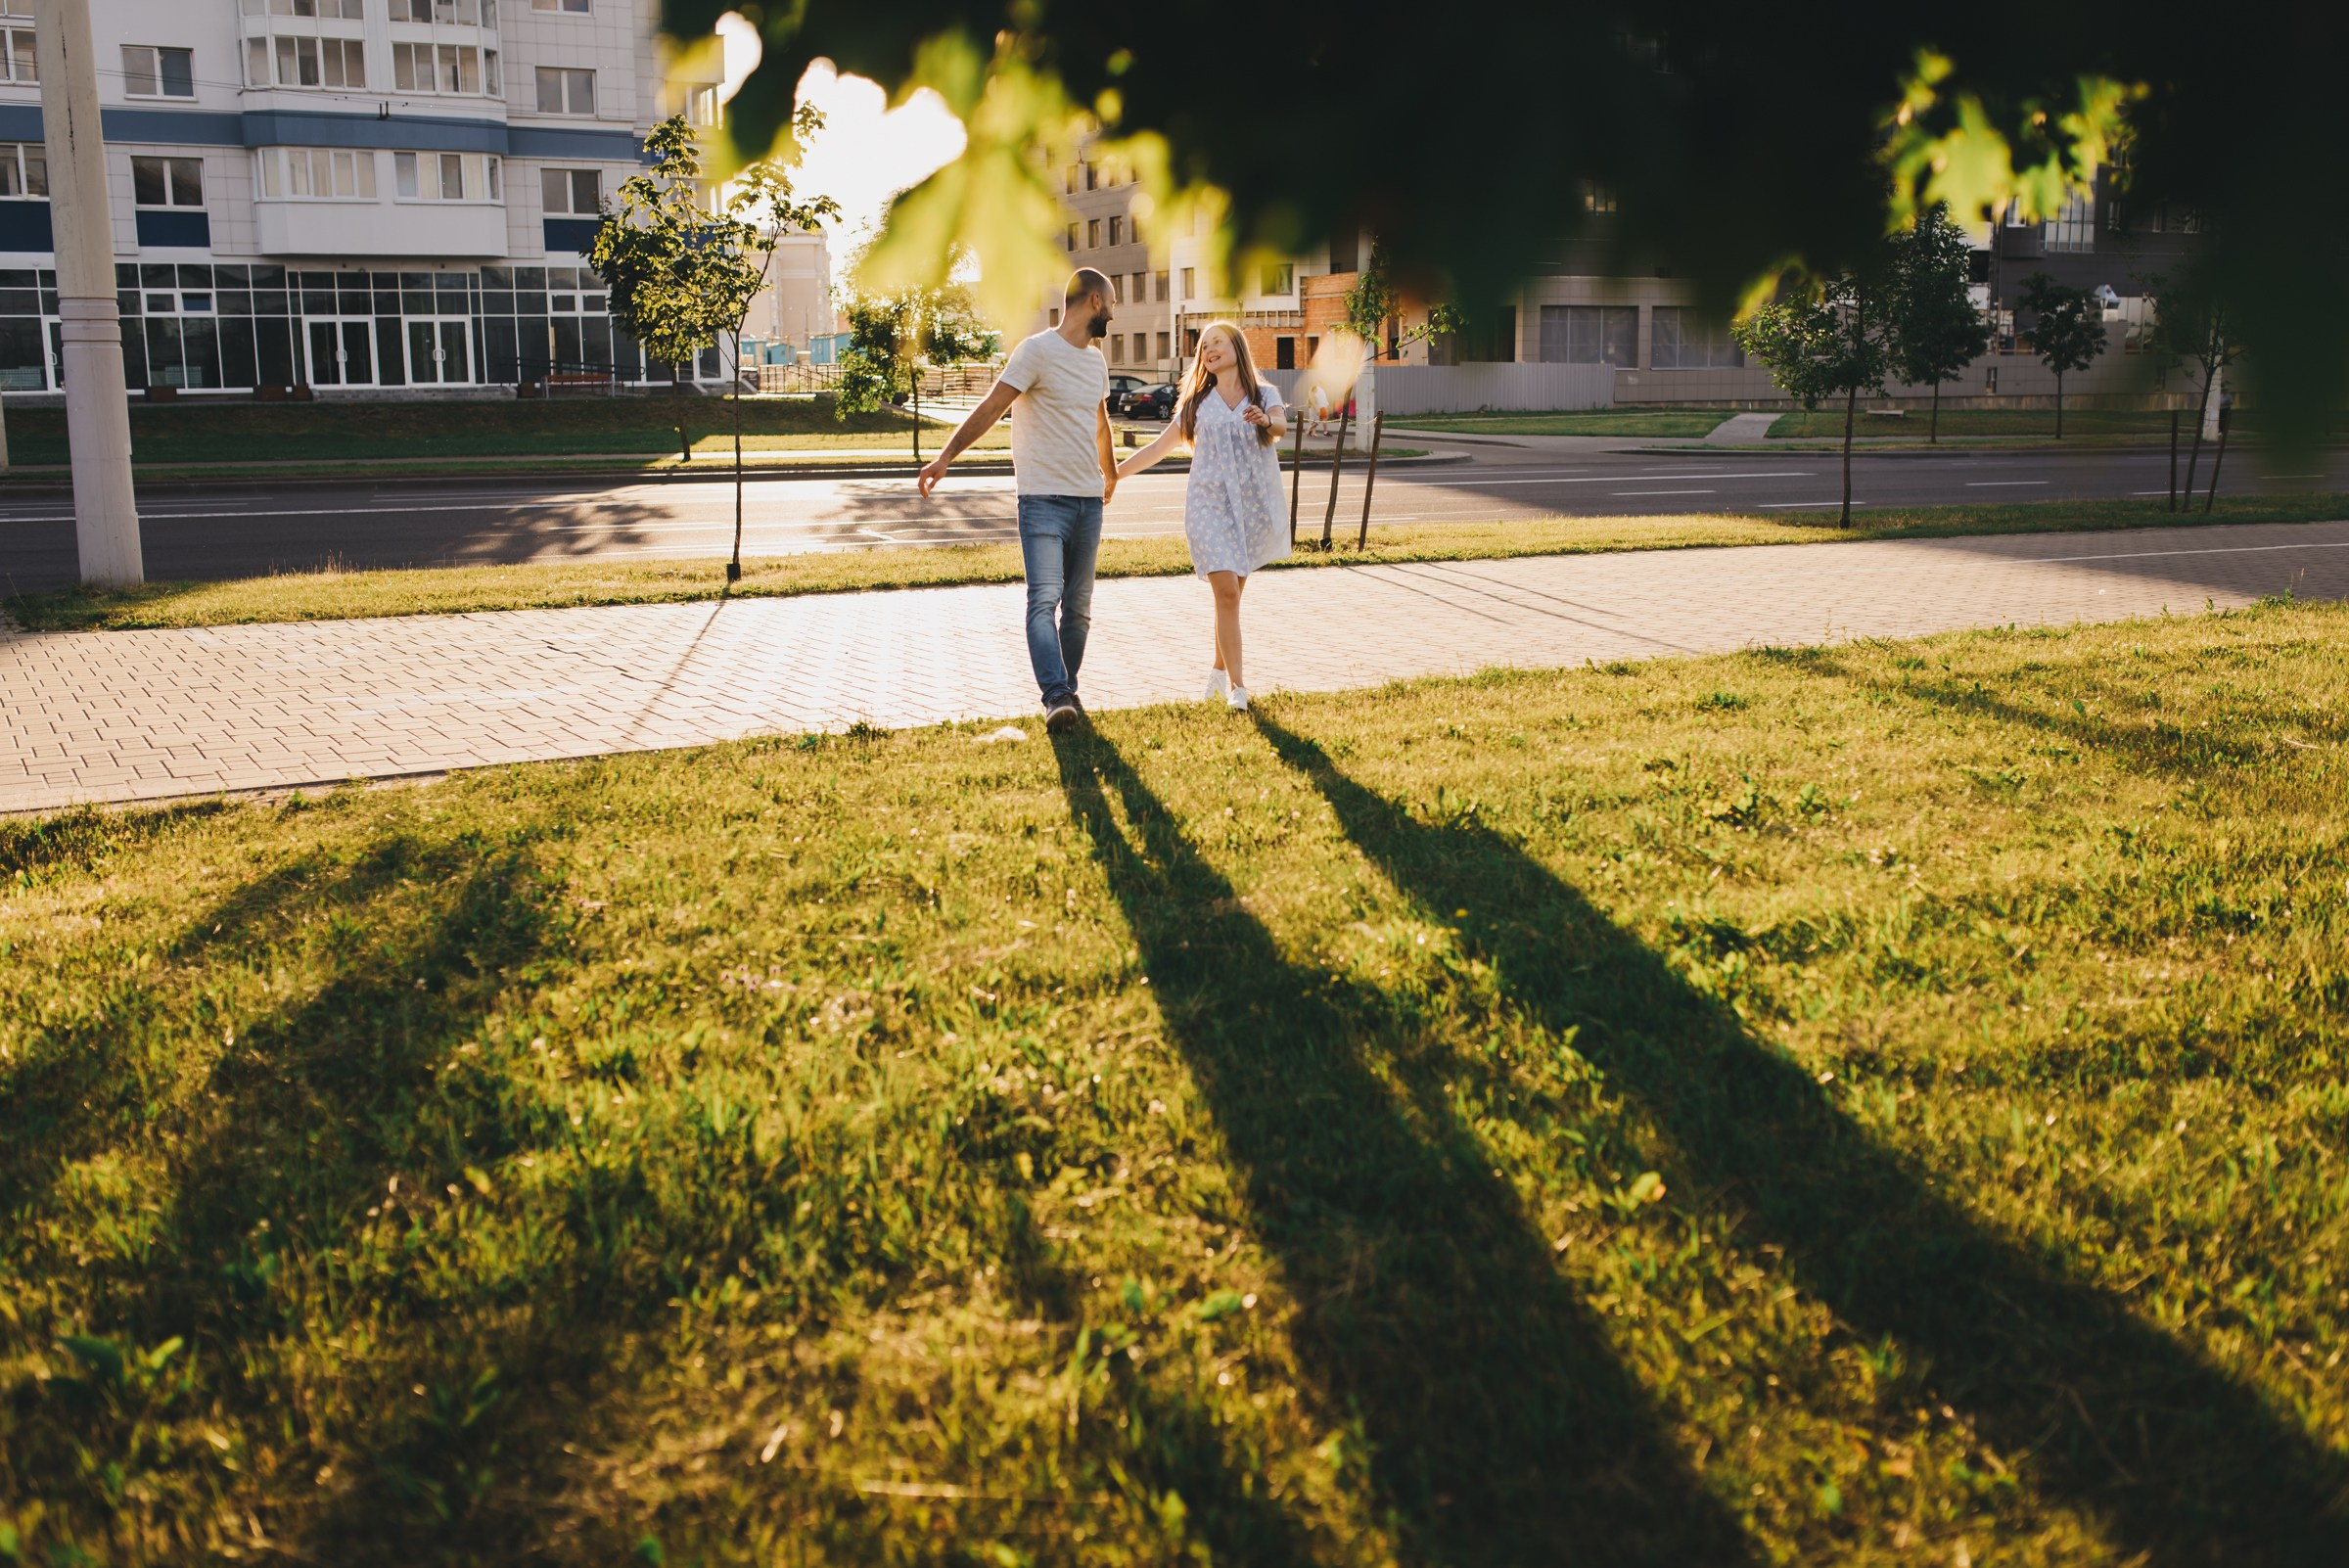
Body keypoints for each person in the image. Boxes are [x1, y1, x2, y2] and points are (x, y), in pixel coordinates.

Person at [919, 269, 1119, 733]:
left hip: (1087, 500)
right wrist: (946, 456)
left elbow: (1100, 421)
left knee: (1080, 605)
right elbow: (992, 406)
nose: (1114, 312)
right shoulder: (1035, 351)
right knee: (1044, 599)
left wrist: (1109, 473)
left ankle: (1066, 689)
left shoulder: (1097, 362)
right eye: (1112, 303)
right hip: (1043, 498)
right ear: (1093, 301)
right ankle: (1055, 696)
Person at [1114, 322, 1288, 712]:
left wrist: (1264, 420)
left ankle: (1216, 673)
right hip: (1207, 506)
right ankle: (1238, 689)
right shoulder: (1195, 404)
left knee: (1231, 599)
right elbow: (1159, 448)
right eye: (1204, 346)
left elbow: (1280, 426)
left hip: (1248, 507)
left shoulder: (1264, 393)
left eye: (1217, 342)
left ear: (1236, 347)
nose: (1209, 349)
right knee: (1226, 592)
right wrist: (1116, 475)